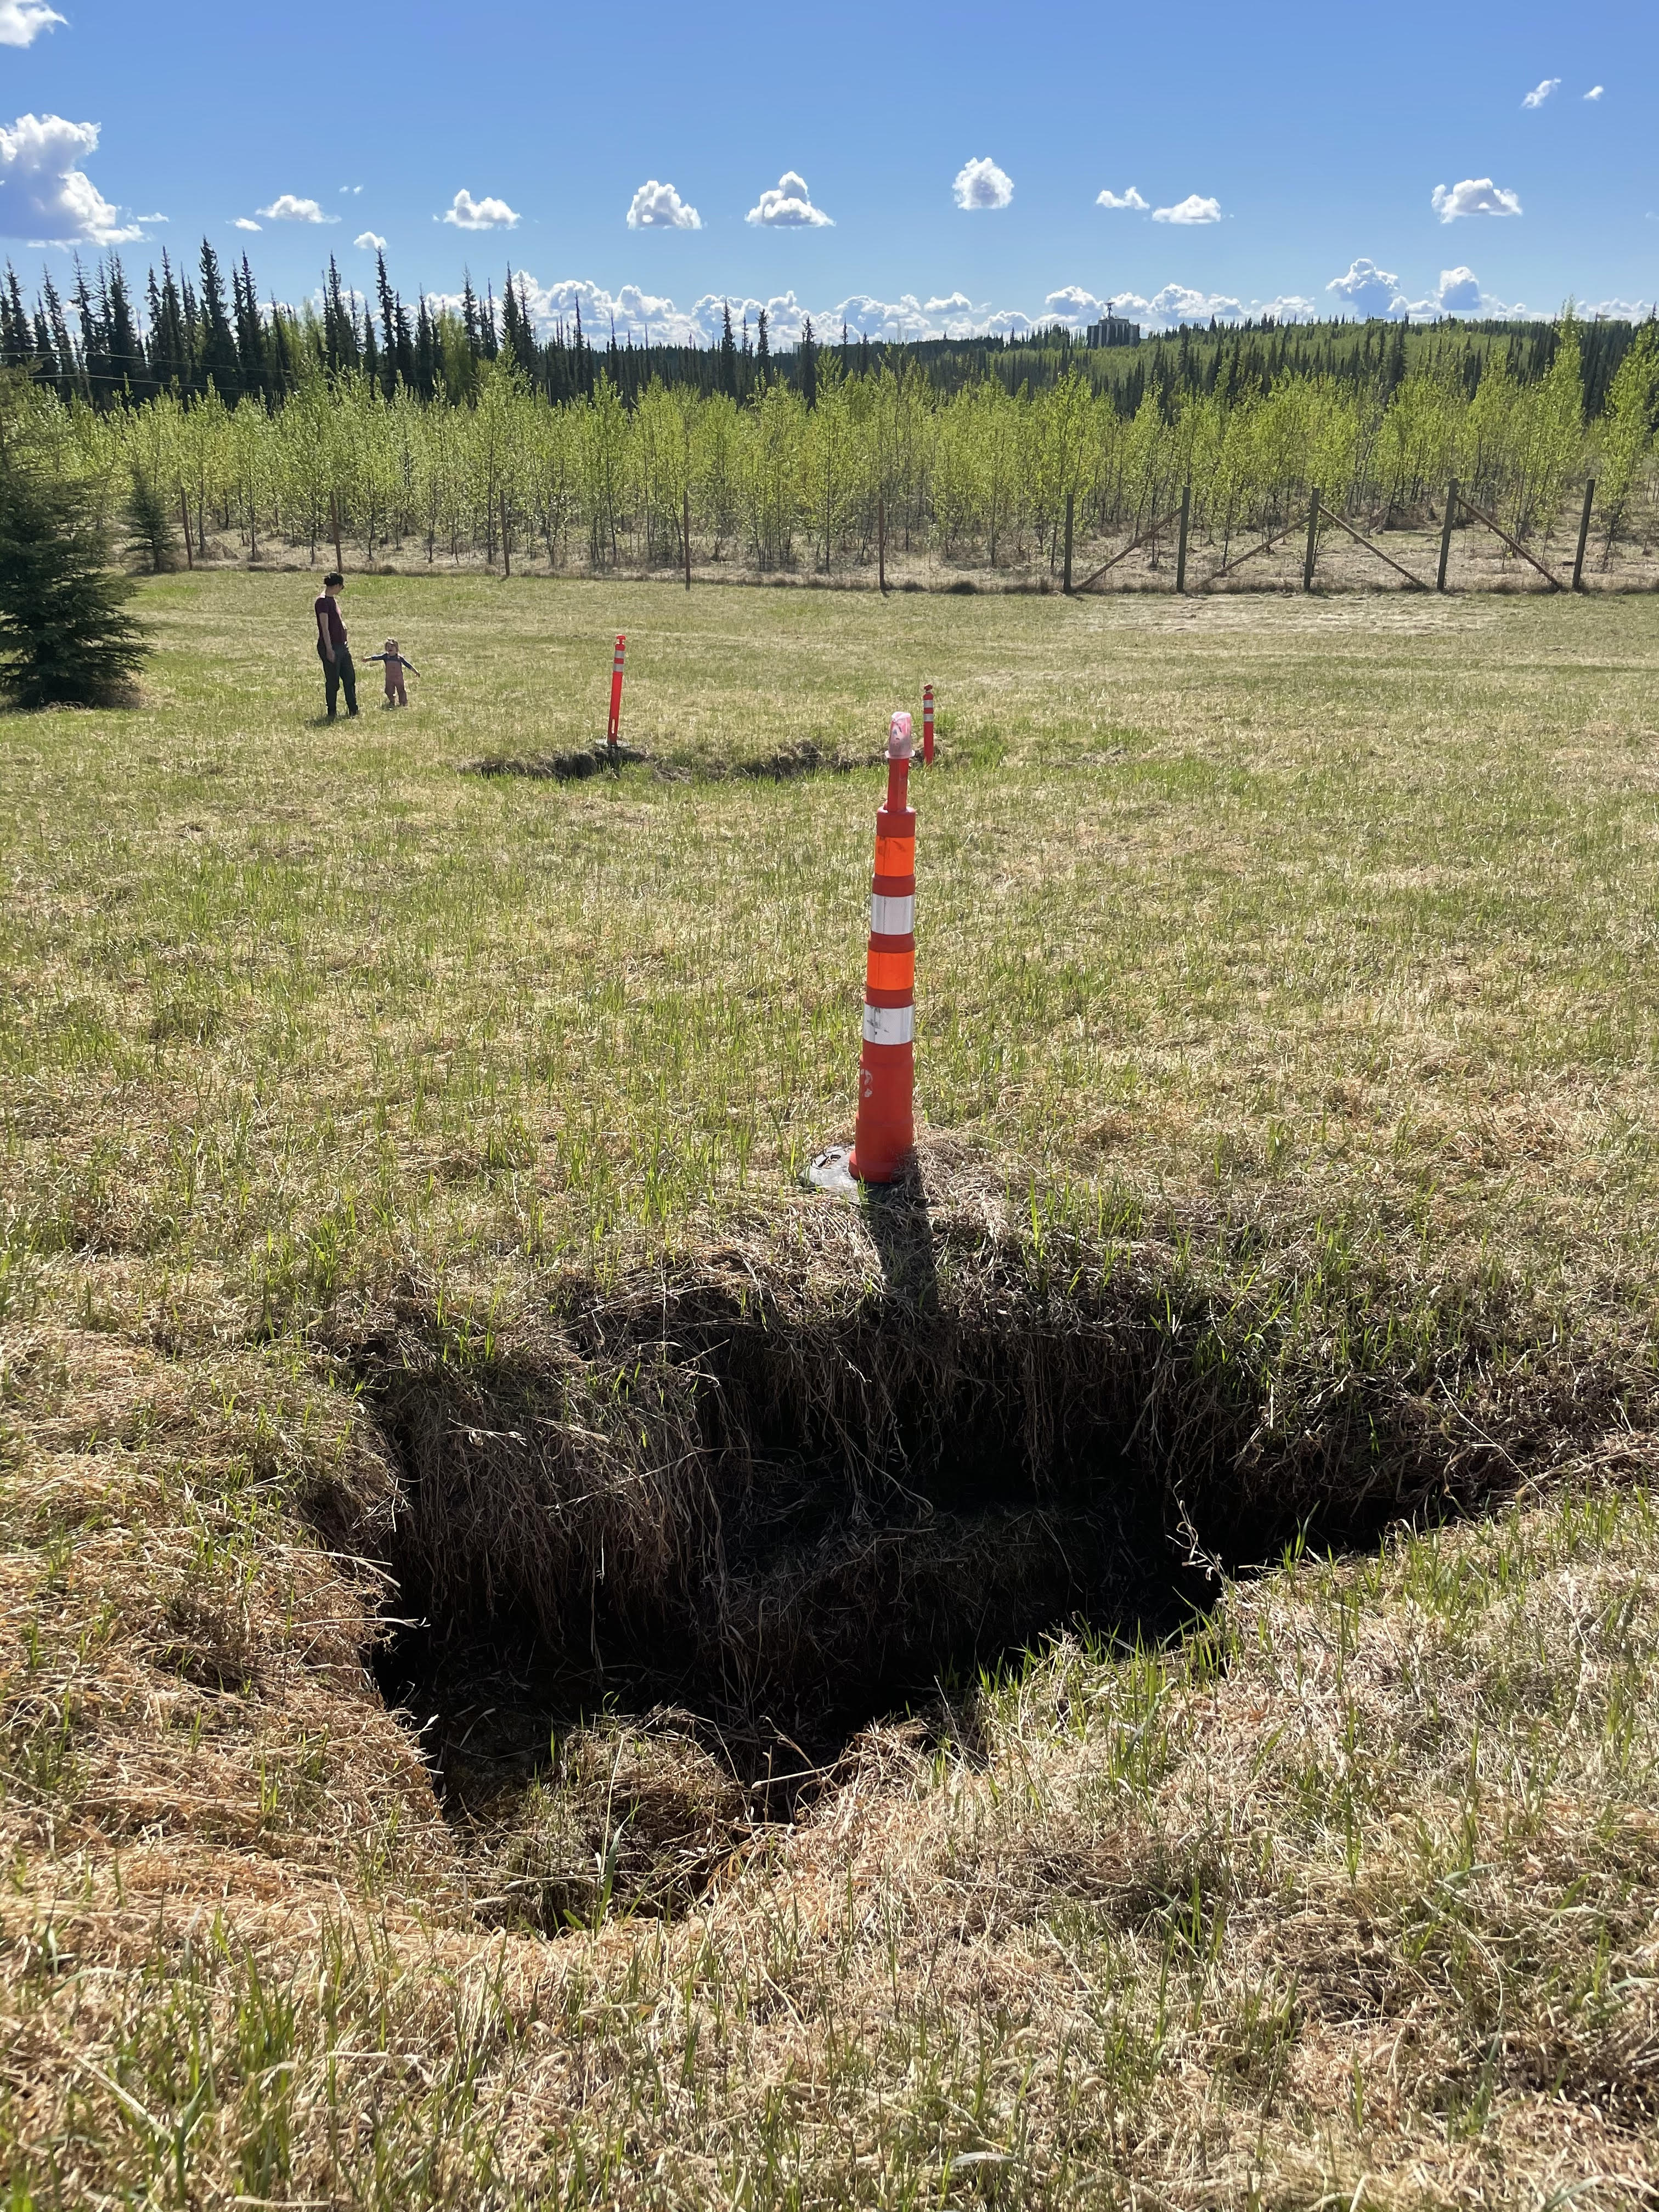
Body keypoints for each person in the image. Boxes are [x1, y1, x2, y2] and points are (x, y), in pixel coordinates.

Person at [313, 572, 357, 719]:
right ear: (337, 585)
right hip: (331, 647)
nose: (341, 590)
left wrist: (343, 626)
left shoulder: (332, 600)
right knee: (333, 682)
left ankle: (353, 710)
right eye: (341, 587)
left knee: (350, 678)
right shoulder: (323, 602)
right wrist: (329, 649)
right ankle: (332, 712)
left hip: (342, 646)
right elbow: (324, 628)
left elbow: (337, 619)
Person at [365, 638, 419, 708]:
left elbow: (408, 665)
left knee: (401, 691)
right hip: (389, 679)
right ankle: (392, 701)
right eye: (388, 647)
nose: (390, 648)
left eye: (392, 647)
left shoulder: (399, 658)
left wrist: (415, 671)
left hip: (399, 679)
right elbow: (376, 658)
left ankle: (403, 703)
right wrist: (368, 659)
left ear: (396, 648)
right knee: (388, 691)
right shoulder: (386, 657)